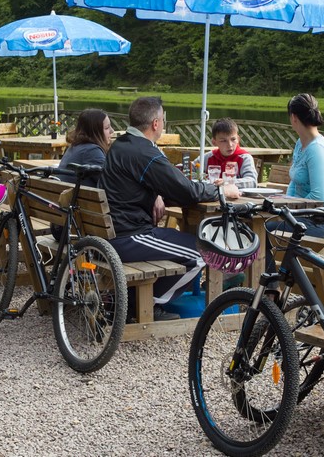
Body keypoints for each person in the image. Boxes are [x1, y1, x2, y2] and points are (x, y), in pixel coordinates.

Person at [99, 96, 240, 321]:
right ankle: (141, 304)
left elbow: (156, 185)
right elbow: (186, 190)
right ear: (156, 123)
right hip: (130, 236)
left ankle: (137, 299)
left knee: (185, 242)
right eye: (163, 120)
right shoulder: (145, 153)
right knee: (204, 251)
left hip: (114, 231)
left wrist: (155, 194)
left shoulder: (120, 145)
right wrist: (222, 192)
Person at [266, 93, 324, 270]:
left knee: (262, 231)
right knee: (258, 225)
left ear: (293, 117)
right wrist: (284, 205)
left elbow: (317, 197)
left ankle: (269, 286)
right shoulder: (301, 143)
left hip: (321, 222)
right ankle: (268, 283)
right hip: (302, 217)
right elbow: (294, 183)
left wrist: (287, 209)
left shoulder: (317, 150)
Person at [50, 109, 113, 240]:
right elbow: (114, 186)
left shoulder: (75, 147)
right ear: (95, 131)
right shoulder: (93, 151)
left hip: (61, 225)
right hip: (77, 228)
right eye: (107, 128)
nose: (112, 131)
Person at [200, 117, 258, 188]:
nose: (230, 145)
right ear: (214, 142)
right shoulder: (208, 157)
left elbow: (252, 181)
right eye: (223, 141)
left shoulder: (244, 158)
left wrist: (227, 182)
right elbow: (191, 171)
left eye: (233, 139)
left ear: (238, 139)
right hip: (210, 197)